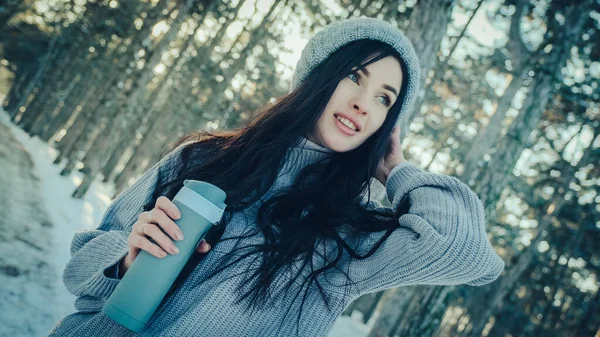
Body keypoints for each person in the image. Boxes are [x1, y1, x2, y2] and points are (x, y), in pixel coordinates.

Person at [49, 17, 504, 337]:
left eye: (385, 99)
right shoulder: (202, 158)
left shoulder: (349, 234)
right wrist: (126, 260)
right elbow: (81, 270)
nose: (365, 103)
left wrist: (397, 171)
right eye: (354, 76)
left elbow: (467, 252)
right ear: (317, 78)